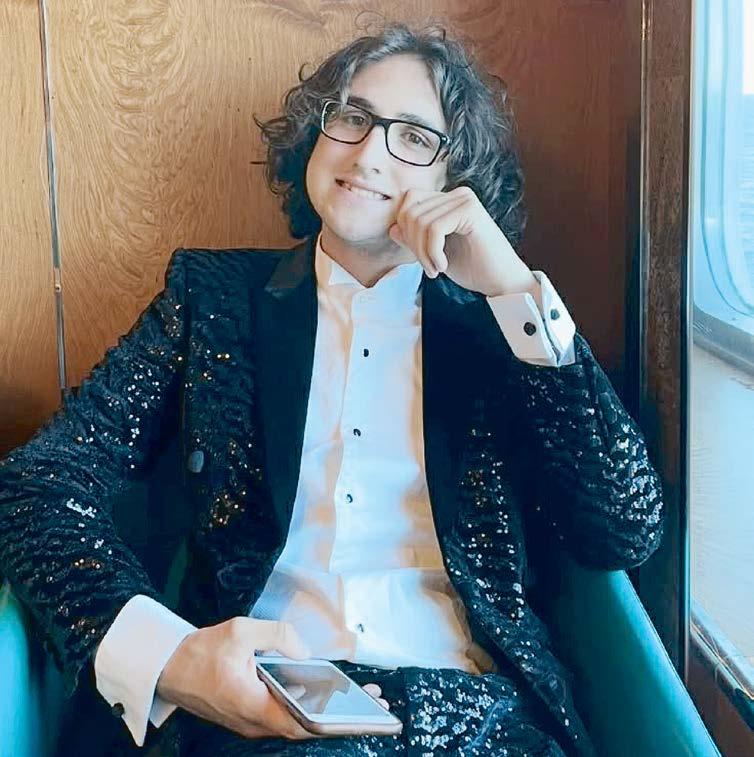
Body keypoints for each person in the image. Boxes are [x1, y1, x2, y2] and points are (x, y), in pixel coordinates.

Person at [0, 20, 665, 757]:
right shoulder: (211, 297)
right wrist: (174, 658)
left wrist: (513, 290)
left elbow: (623, 528)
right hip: (263, 712)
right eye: (352, 116)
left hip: (472, 718)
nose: (370, 152)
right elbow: (37, 483)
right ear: (314, 137)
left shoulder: (500, 327)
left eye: (414, 137)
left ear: (455, 182)